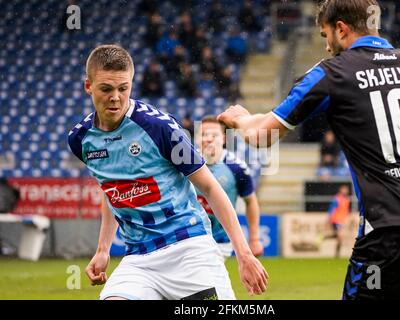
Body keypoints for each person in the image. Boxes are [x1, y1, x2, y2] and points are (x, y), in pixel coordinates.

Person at [218, 0, 400, 300]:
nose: (327, 46)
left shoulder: (332, 72)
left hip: (387, 231)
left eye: (326, 35)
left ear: (341, 29)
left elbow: (262, 136)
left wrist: (240, 120)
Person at [67, 44, 268, 300]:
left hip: (188, 247)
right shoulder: (81, 140)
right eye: (106, 89)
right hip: (138, 258)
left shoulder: (159, 127)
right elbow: (110, 190)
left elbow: (209, 186)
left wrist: (244, 254)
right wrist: (103, 249)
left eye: (123, 88)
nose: (115, 97)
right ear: (88, 86)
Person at [195, 115, 264, 260]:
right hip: (189, 237)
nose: (208, 139)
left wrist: (255, 238)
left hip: (221, 242)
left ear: (224, 139)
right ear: (196, 138)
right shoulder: (184, 164)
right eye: (203, 134)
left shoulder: (237, 168)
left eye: (214, 135)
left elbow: (250, 201)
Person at [325, 184, 351, 258]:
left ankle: (324, 237)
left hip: (341, 221)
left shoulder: (347, 199)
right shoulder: (336, 199)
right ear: (340, 190)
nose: (345, 191)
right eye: (344, 189)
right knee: (340, 237)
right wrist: (329, 219)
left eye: (346, 190)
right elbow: (332, 209)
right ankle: (337, 255)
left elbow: (346, 210)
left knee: (337, 237)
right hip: (336, 220)